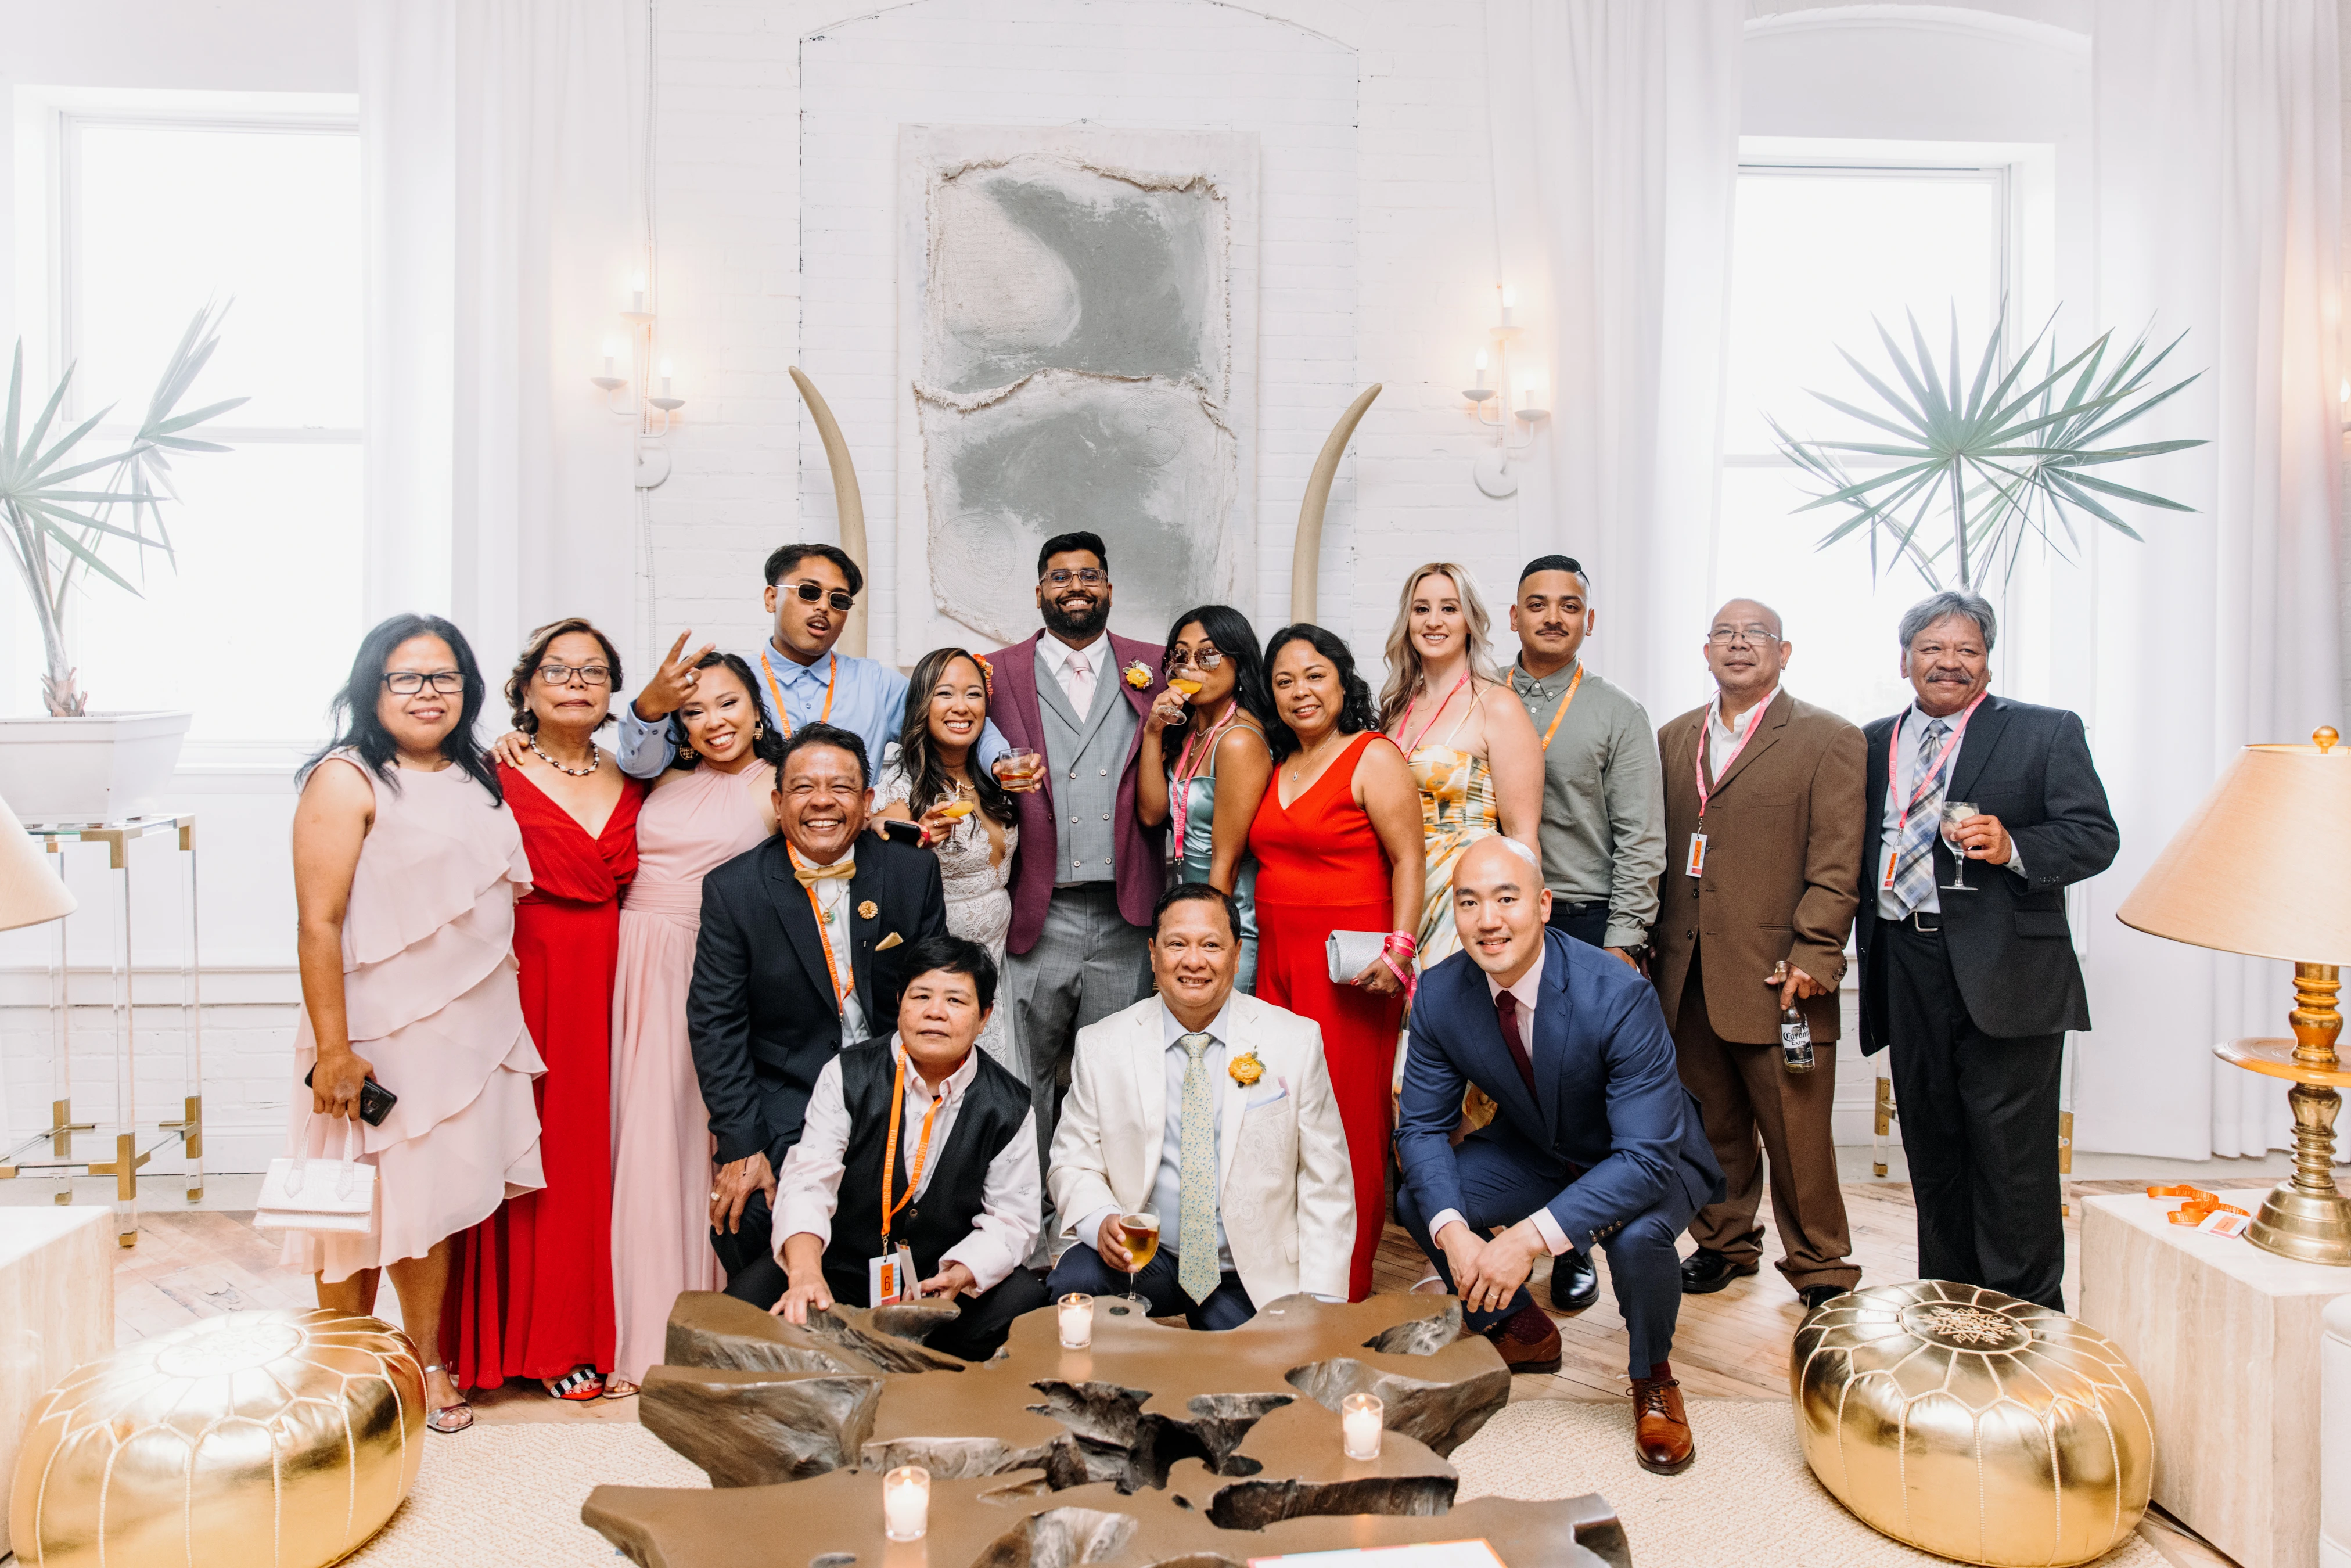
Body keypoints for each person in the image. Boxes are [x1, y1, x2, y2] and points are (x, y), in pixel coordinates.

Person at [1394, 837, 1723, 1474]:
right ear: (1453, 912)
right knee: (1424, 1200)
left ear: (1543, 905)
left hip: (1648, 1153)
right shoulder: (1438, 994)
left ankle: (1653, 1376)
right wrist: (1457, 1236)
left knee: (1635, 1243)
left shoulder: (1616, 992)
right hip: (1540, 1148)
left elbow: (1644, 1159)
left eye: (1506, 899)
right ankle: (1522, 1329)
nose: (1488, 920)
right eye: (1469, 902)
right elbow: (1422, 1131)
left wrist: (1524, 1242)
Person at [287, 614, 540, 1436]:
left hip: (462, 1025)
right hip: (370, 1027)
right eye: (408, 678)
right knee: (347, 1202)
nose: (428, 693)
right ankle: (342, 1366)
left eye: (445, 678)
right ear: (373, 686)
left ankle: (426, 1360)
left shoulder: (480, 774)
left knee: (429, 1203)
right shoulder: (345, 777)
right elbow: (318, 923)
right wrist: (334, 1050)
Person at [1854, 591, 2116, 1312]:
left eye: (1965, 650)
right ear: (1905, 659)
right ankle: (1949, 1302)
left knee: (2011, 1155)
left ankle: (2026, 1314)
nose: (1948, 662)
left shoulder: (2045, 732)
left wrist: (2017, 846)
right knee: (1931, 1143)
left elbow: (2094, 835)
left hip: (2007, 969)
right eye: (1932, 649)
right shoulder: (1871, 740)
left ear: (1987, 663)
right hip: (1902, 961)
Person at [448, 619, 645, 1402]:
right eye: (557, 668)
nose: (575, 680)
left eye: (593, 670)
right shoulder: (491, 773)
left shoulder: (641, 773)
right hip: (528, 976)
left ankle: (593, 1327)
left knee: (603, 1153)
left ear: (611, 693)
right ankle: (533, 1342)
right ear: (525, 687)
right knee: (538, 1149)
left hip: (621, 981)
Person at [687, 721, 949, 1306]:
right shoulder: (735, 890)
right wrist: (741, 1147)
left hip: (892, 1094)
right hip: (789, 1100)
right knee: (746, 1213)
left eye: (841, 787)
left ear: (867, 801)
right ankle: (778, 1354)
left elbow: (933, 997)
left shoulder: (910, 872)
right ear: (778, 803)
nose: (823, 802)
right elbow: (716, 1023)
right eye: (804, 788)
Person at [1651, 600, 1864, 1311]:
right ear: (1705, 650)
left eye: (1757, 634)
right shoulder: (1674, 736)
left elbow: (1838, 861)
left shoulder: (1827, 738)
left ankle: (1821, 1267)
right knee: (1711, 1125)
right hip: (1688, 974)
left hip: (1783, 975)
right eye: (1724, 633)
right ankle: (1724, 1243)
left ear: (1785, 651)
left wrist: (1814, 950)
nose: (1739, 644)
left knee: (1796, 1135)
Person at [1045, 883, 1353, 1327]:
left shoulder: (1294, 1041)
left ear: (1237, 953)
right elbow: (1071, 1161)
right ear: (1153, 954)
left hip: (1248, 1271)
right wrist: (1101, 1220)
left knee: (1247, 1386)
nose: (1193, 962)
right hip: (1148, 1255)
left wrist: (1320, 1304)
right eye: (1176, 945)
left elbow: (1328, 1183)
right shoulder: (1103, 1044)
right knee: (1076, 1287)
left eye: (1211, 945)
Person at [982, 532, 1168, 1245]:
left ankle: (1102, 1228)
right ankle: (1020, 1225)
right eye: (1060, 577)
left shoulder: (1153, 667)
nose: (1076, 587)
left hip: (1129, 911)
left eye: (1089, 575)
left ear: (1110, 588)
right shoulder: (997, 673)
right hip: (1038, 907)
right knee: (1023, 1077)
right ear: (1039, 592)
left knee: (1110, 1083)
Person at [609, 652, 782, 1394]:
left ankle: (688, 1326)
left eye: (728, 703)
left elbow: (837, 822)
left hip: (702, 965)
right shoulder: (661, 779)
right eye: (696, 711)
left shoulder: (777, 783)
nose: (714, 722)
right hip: (627, 962)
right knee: (626, 1140)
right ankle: (621, 1323)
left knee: (681, 1139)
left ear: (756, 706)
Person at [768, 936, 1048, 1361]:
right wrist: (806, 1273)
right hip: (842, 1274)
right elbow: (808, 1181)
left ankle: (900, 1361)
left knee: (1025, 1297)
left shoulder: (1009, 1104)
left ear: (985, 1016)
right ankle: (867, 1348)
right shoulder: (847, 1075)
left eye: (956, 1000)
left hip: (937, 1290)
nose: (935, 1012)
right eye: (921, 996)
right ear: (900, 1002)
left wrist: (961, 1273)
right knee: (748, 1301)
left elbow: (1013, 1220)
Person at [1249, 624, 1424, 1300]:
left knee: (1348, 1123)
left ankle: (1345, 1288)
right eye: (1285, 680)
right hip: (1278, 964)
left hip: (1349, 972)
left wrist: (1401, 952)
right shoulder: (1275, 762)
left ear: (1341, 679)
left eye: (1314, 675)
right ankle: (1288, 1275)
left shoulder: (1372, 755)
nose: (1300, 692)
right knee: (1279, 1115)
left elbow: (1410, 858)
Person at [606, 542, 1013, 778]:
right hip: (745, 859)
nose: (823, 608)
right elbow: (641, 769)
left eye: (838, 600)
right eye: (808, 592)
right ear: (771, 598)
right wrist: (650, 709)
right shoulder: (726, 682)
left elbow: (956, 716)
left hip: (853, 859)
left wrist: (1001, 761)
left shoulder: (874, 683)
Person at [1378, 563, 1543, 977]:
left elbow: (1523, 835)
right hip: (1399, 886)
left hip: (1467, 893)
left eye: (1449, 609)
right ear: (1407, 620)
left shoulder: (1497, 705)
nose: (1434, 622)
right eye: (1421, 609)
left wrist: (1527, 930)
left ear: (1470, 620)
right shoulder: (1394, 708)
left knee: (1456, 1015)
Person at [1504, 556, 1665, 962]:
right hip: (1485, 911)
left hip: (1581, 920)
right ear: (1514, 616)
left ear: (1589, 621)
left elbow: (1641, 838)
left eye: (1570, 607)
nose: (1553, 617)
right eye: (1537, 605)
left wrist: (1624, 939)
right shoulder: (1477, 693)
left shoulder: (1620, 712)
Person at [874, 647, 1020, 1069]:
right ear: (922, 703)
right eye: (945, 694)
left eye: (973, 695)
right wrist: (914, 838)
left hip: (1000, 962)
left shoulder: (991, 777)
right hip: (942, 972)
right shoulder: (903, 781)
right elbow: (880, 832)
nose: (961, 707)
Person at [1135, 605, 1274, 992]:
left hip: (1225, 916)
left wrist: (1207, 942)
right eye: (1180, 655)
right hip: (1184, 911)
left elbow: (1226, 862)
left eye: (1208, 655)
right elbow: (1151, 815)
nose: (1191, 666)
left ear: (1238, 661)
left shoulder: (1239, 740)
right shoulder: (1191, 732)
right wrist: (1153, 732)